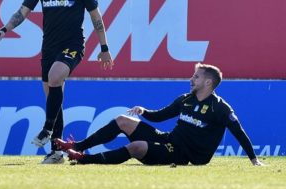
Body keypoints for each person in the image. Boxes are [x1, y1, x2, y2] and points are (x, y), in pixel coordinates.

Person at [0, 0, 113, 165]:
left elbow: (96, 18)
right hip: (49, 48)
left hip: (73, 45)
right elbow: (22, 12)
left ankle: (47, 129)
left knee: (55, 77)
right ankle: (56, 152)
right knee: (53, 100)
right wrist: (4, 30)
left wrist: (104, 48)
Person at [55, 63, 263, 166]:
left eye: (196, 77)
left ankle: (84, 159)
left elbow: (239, 132)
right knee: (123, 120)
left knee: (136, 147)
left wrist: (254, 160)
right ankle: (78, 146)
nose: (191, 79)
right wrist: (144, 111)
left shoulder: (220, 108)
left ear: (208, 83)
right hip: (169, 141)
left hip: (185, 156)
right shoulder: (185, 99)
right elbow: (160, 116)